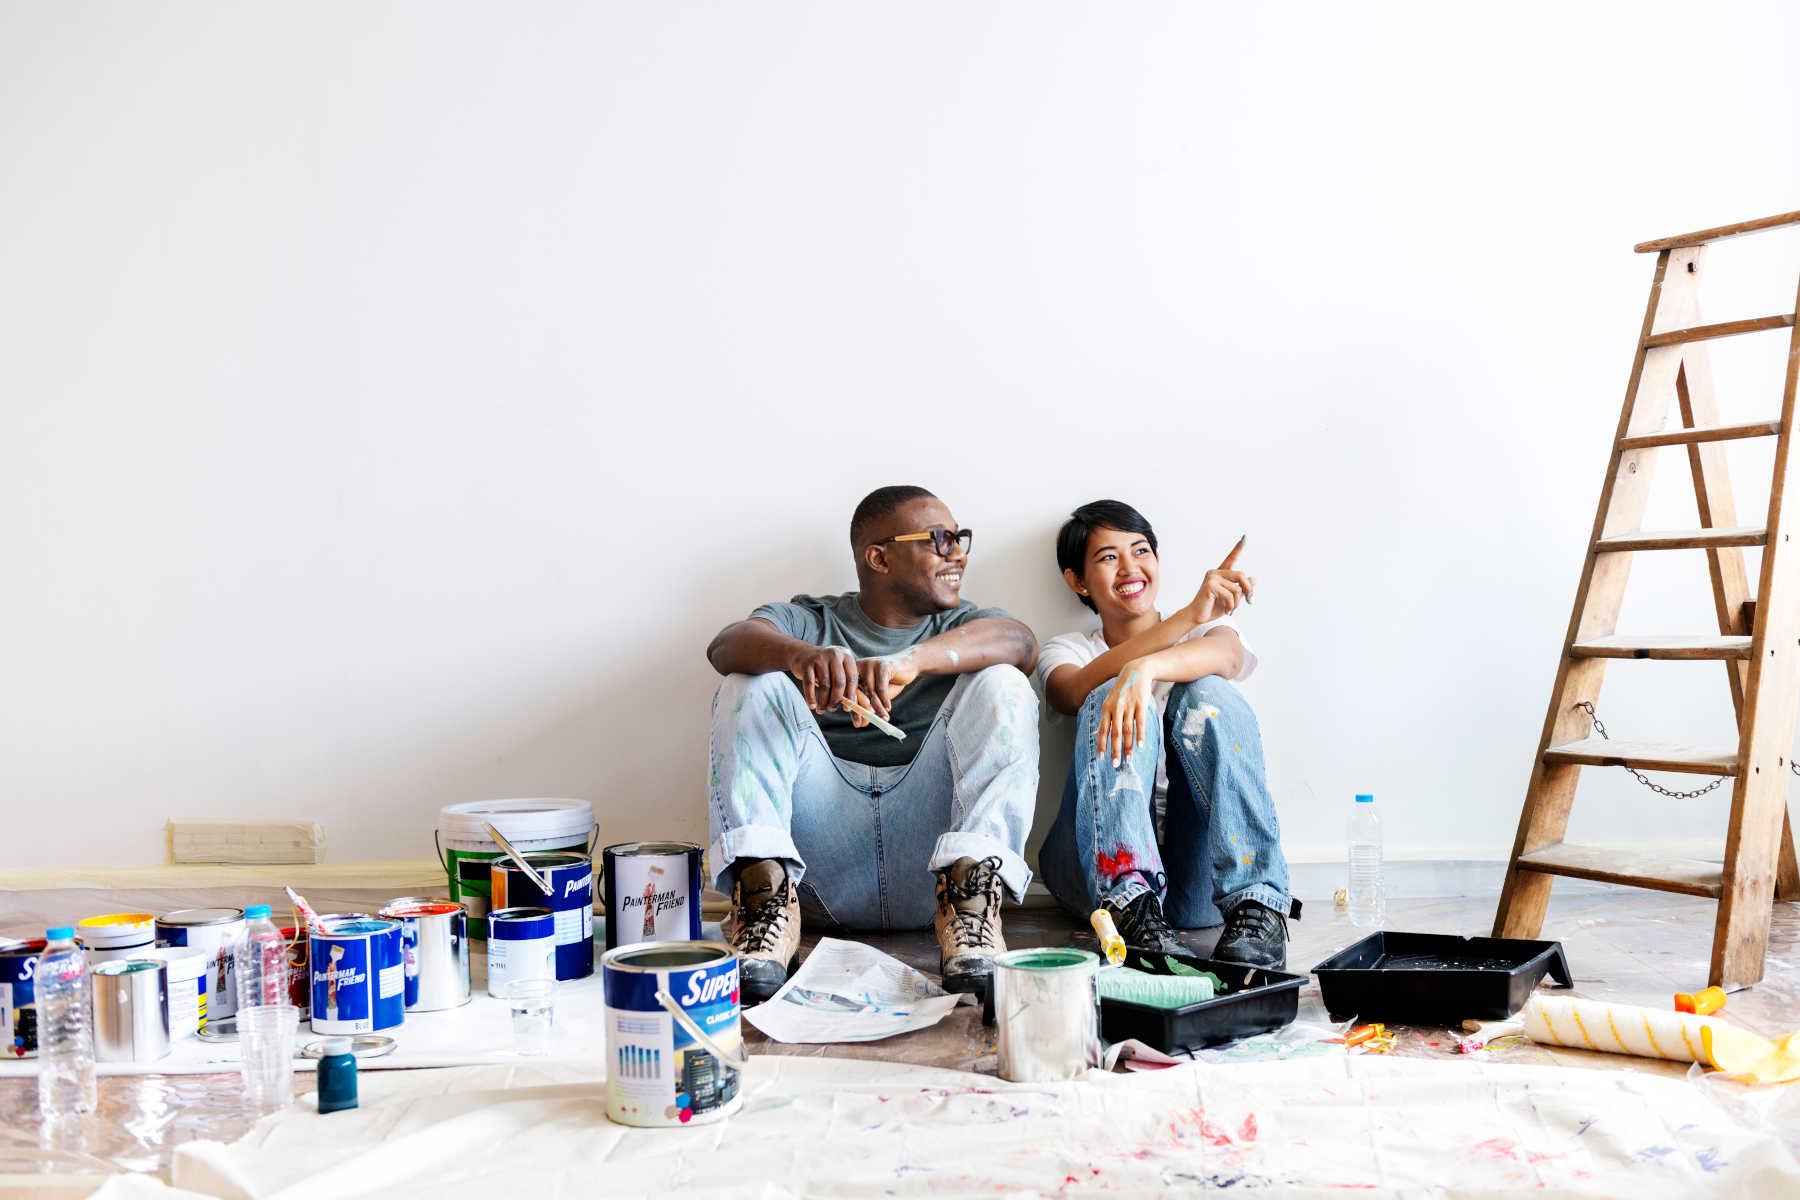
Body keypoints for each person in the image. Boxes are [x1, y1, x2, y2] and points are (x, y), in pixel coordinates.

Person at [706, 485, 1040, 1002]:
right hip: (820, 871)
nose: (957, 553)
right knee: (747, 684)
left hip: (931, 874)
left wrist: (913, 662)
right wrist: (800, 656)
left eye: (960, 538)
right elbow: (725, 646)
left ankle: (973, 915)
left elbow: (1021, 643)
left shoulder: (962, 626)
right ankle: (764, 908)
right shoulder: (812, 619)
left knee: (1005, 683)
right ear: (879, 557)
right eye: (939, 539)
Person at [1033, 500, 1298, 968]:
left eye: (1140, 551)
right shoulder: (1068, 649)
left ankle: (1257, 902)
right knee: (1107, 691)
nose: (1129, 567)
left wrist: (1147, 668)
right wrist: (1181, 623)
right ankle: (1130, 905)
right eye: (1109, 557)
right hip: (1092, 873)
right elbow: (1071, 692)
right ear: (1078, 581)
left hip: (1195, 879)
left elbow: (1228, 657)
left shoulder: (1210, 628)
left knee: (1208, 692)